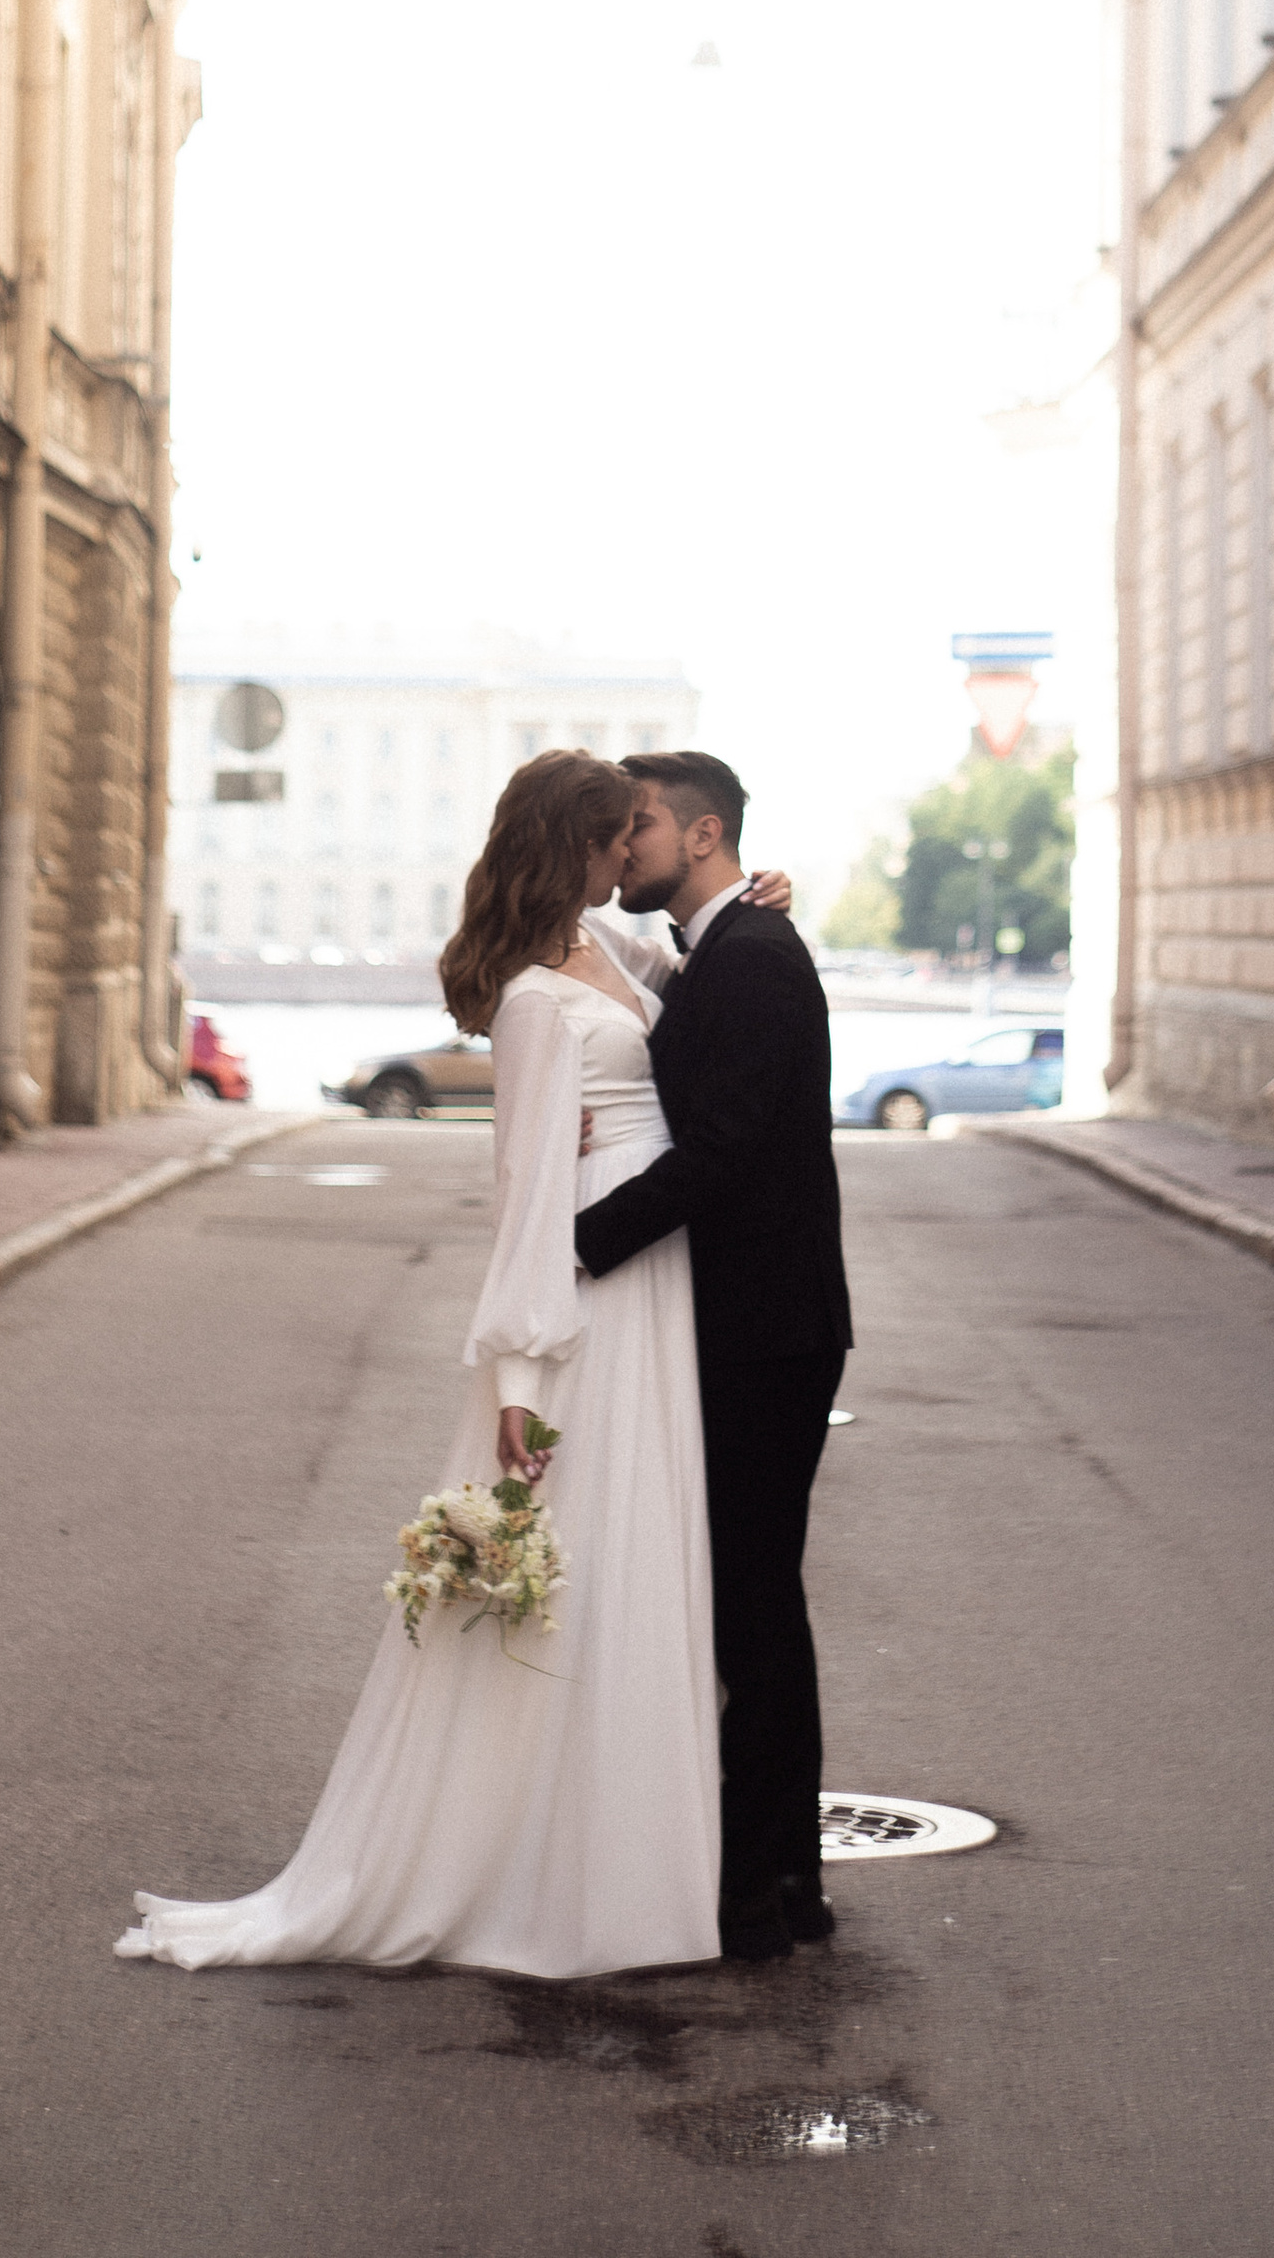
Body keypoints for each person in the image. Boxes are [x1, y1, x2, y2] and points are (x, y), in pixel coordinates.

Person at [115, 748, 787, 1981]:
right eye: (614, 837)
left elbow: (686, 976)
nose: (628, 854)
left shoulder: (604, 953)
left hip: (652, 1283)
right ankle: (525, 1868)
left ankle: (620, 1859)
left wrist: (755, 903)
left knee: (637, 1564)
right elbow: (525, 1193)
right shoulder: (535, 999)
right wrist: (521, 1378)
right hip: (590, 1290)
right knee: (574, 1566)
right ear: (576, 847)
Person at [574, 749, 852, 1967]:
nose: (620, 848)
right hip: (749, 1323)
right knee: (749, 1605)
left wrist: (578, 1242)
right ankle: (773, 1879)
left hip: (764, 1331)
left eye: (634, 828)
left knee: (752, 1609)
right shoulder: (723, 946)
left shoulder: (752, 959)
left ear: (698, 835)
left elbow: (723, 1153)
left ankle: (768, 1889)